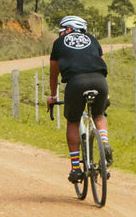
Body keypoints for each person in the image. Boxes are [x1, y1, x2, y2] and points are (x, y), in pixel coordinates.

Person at [47, 15, 112, 184]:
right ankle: (104, 142)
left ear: (69, 29)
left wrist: (53, 97)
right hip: (100, 81)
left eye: (62, 30)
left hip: (76, 83)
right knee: (99, 115)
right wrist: (107, 95)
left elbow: (54, 75)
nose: (61, 34)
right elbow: (103, 66)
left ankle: (76, 168)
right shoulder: (93, 40)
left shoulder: (58, 43)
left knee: (73, 121)